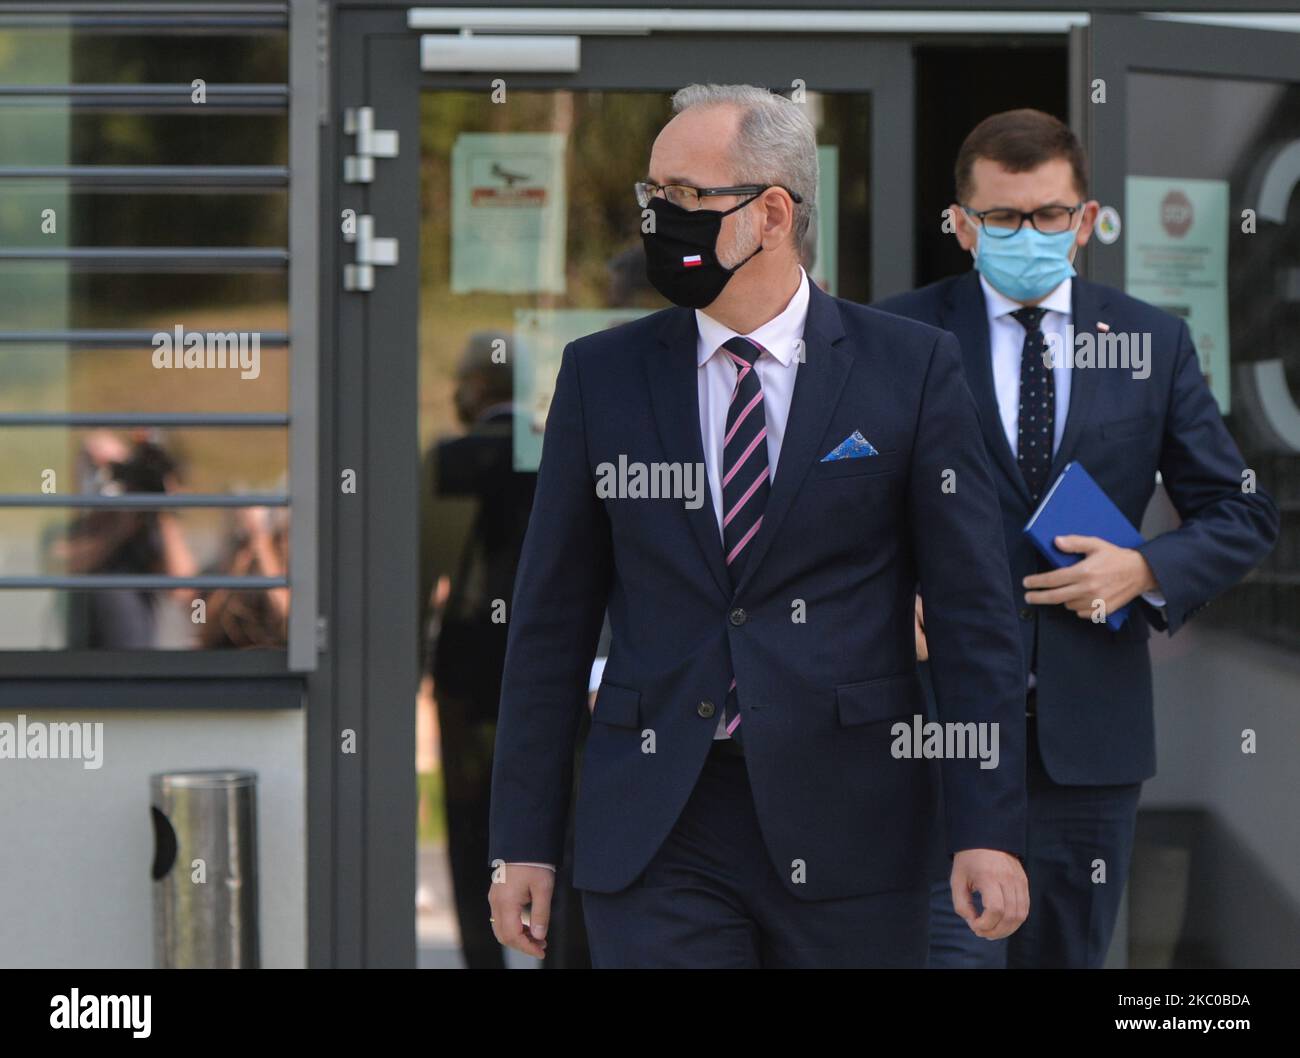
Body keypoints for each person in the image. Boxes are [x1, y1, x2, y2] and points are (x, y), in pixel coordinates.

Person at [487, 84, 1029, 969]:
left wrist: (990, 826)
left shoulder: (910, 369)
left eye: (684, 198)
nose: (658, 220)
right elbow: (550, 624)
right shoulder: (603, 378)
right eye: (651, 197)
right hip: (660, 822)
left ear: (772, 213)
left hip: (854, 821)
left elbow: (975, 614)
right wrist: (524, 839)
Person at [875, 108, 1280, 968]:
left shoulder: (1151, 344)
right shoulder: (896, 339)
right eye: (1004, 217)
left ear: (1086, 220)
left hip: (1087, 745)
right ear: (960, 225)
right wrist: (882, 602)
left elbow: (1241, 511)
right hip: (935, 733)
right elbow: (833, 510)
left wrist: (1144, 568)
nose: (1030, 233)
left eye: (1051, 215)